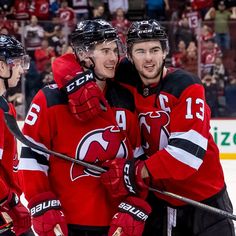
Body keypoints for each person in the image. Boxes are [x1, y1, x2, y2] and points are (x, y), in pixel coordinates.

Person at [100, 20, 235, 236]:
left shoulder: (186, 85)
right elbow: (83, 61)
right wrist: (75, 84)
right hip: (160, 201)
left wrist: (137, 170)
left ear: (165, 52)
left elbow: (186, 155)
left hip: (205, 201)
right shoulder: (125, 75)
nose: (149, 58)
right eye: (140, 51)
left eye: (155, 50)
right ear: (129, 56)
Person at [18, 19, 151, 236]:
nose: (113, 58)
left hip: (114, 224)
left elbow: (138, 158)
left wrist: (135, 204)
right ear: (82, 54)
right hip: (67, 223)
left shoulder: (126, 98)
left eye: (114, 49)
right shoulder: (50, 99)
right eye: (104, 50)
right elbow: (31, 156)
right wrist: (41, 202)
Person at [0, 34, 32, 235]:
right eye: (18, 63)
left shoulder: (5, 106)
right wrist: (8, 201)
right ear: (2, 67)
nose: (22, 69)